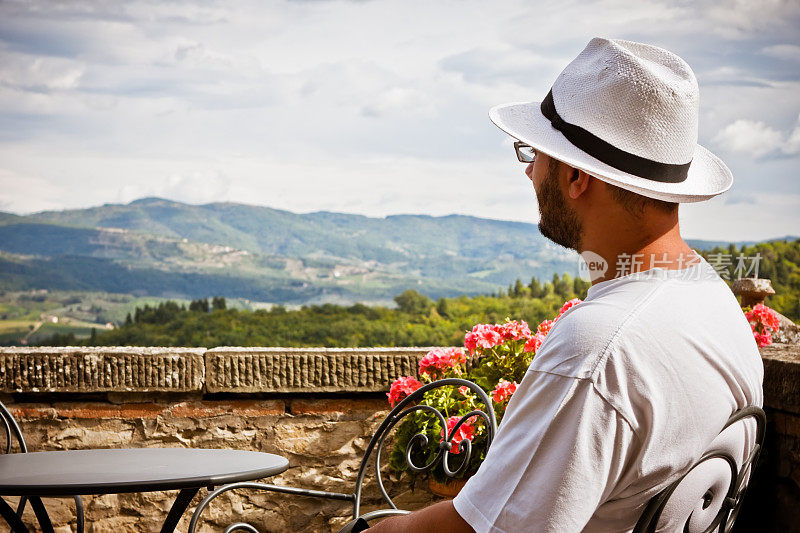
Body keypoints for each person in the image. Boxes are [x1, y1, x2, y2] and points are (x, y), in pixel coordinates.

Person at [365, 37, 763, 532]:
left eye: (536, 154)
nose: (530, 170)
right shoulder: (711, 299)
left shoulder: (600, 350)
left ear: (575, 176)